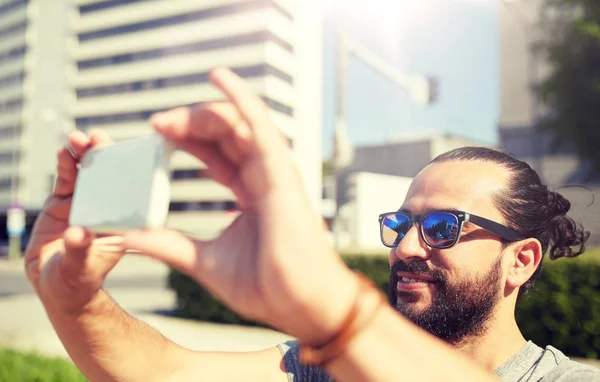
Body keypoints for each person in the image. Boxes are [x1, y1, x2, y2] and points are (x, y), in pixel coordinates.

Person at [24, 68, 599, 381]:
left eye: (442, 227)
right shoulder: (321, 366)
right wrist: (76, 302)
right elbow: (165, 372)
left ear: (520, 260)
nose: (404, 247)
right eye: (400, 223)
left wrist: (336, 311)